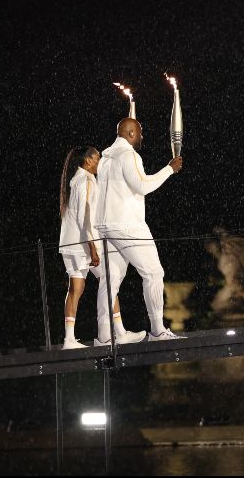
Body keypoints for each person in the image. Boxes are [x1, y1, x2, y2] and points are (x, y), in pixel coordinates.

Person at [94, 118, 184, 342]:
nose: (142, 137)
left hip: (104, 226)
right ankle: (157, 330)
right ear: (132, 133)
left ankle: (105, 335)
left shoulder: (105, 159)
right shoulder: (129, 155)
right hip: (127, 225)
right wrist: (169, 170)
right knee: (154, 273)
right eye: (140, 133)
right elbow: (142, 185)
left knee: (111, 279)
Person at [58, 146, 146, 349]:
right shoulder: (86, 180)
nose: (100, 161)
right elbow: (84, 216)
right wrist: (92, 246)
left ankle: (115, 332)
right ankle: (78, 339)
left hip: (75, 242)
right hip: (81, 245)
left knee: (102, 280)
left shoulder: (79, 180)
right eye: (97, 158)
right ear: (88, 161)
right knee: (90, 284)